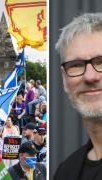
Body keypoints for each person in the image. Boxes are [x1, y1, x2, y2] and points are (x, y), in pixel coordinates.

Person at [54, 13, 102, 180]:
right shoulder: (65, 172)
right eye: (76, 65)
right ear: (65, 79)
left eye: (101, 61)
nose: (90, 76)